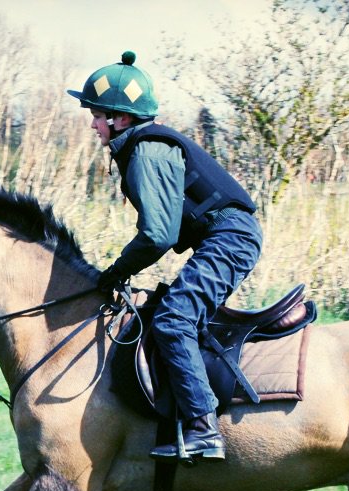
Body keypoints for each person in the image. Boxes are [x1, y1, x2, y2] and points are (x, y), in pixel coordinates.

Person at [67, 51, 262, 462]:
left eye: (97, 115)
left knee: (174, 318)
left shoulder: (148, 151)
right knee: (167, 312)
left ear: (120, 119)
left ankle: (202, 427)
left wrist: (116, 271)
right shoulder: (142, 147)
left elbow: (158, 235)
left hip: (230, 238)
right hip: (224, 237)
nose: (92, 123)